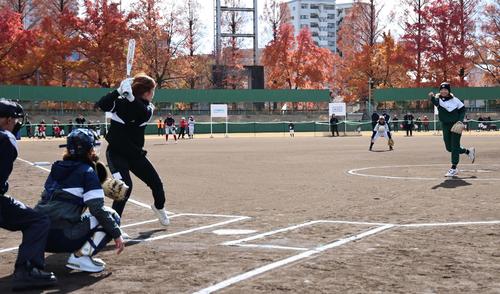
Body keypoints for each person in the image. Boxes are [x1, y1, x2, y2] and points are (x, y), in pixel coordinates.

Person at [35, 129, 124, 273]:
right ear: (89, 149)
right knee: (111, 216)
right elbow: (97, 210)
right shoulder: (87, 172)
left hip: (38, 235)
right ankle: (80, 258)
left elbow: (64, 194)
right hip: (61, 237)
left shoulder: (57, 167)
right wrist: (117, 234)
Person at [94, 74, 169, 225]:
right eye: (152, 91)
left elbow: (141, 113)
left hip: (135, 155)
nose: (153, 94)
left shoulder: (148, 108)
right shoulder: (121, 102)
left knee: (157, 184)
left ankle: (159, 207)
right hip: (116, 153)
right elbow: (101, 104)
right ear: (147, 92)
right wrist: (118, 91)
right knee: (124, 188)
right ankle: (114, 224)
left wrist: (130, 98)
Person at [0, 99, 58, 291]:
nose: (17, 123)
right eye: (15, 120)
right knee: (38, 221)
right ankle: (27, 270)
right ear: (7, 120)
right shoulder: (6, 139)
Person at [429, 82, 475, 177]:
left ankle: (454, 168)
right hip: (445, 125)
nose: (443, 91)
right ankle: (468, 151)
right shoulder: (438, 99)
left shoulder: (455, 100)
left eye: (445, 89)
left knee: (454, 146)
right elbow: (435, 102)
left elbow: (462, 110)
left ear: (449, 90)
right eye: (442, 89)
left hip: (456, 125)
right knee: (449, 148)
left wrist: (460, 121)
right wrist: (432, 97)